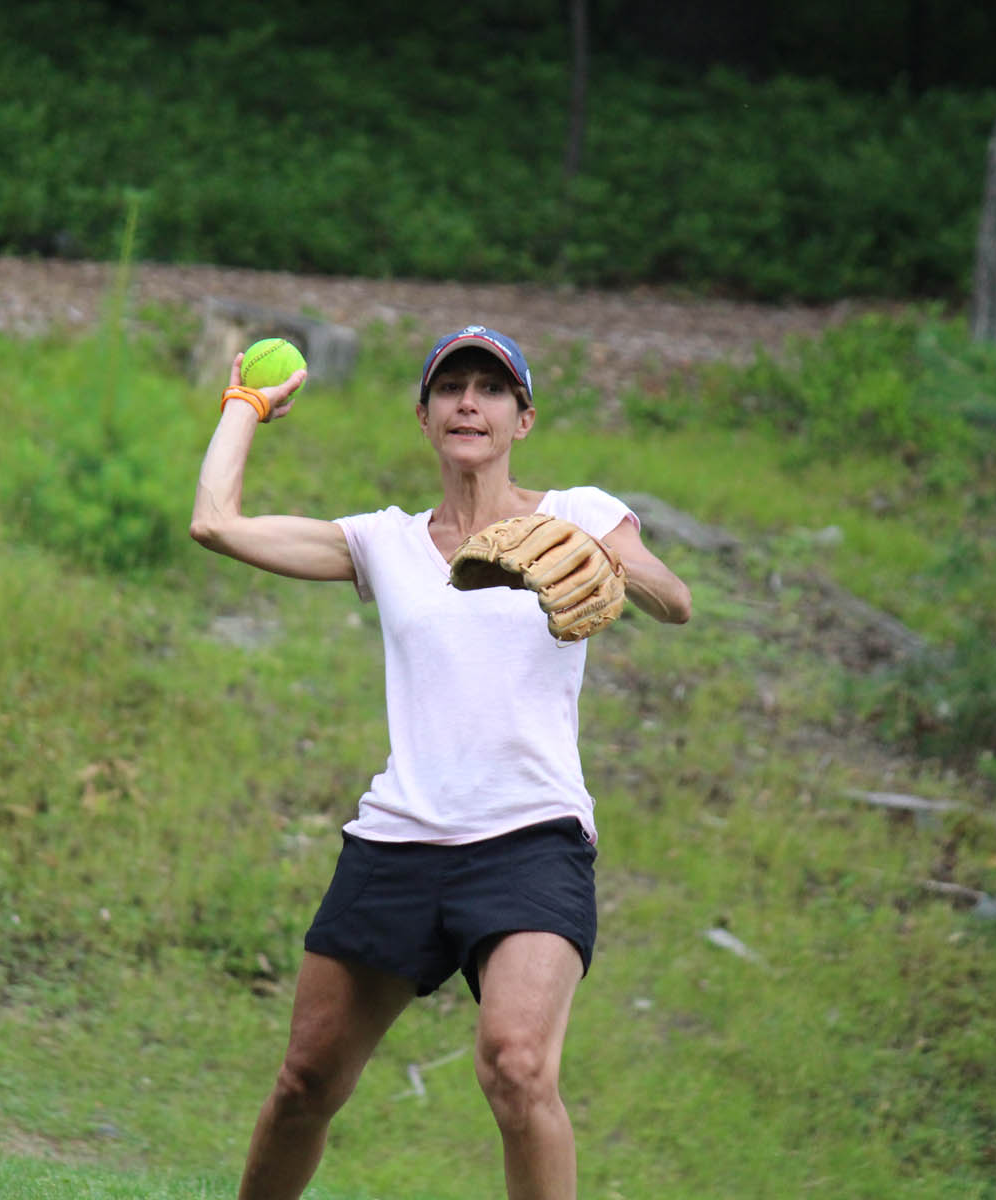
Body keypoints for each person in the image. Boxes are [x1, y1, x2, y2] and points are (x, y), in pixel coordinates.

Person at [190, 325, 692, 1200]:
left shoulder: (577, 511)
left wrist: (601, 553)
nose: (470, 401)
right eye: (451, 388)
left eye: (491, 389)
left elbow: (673, 599)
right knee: (305, 1083)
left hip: (531, 838)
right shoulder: (381, 542)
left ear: (522, 419)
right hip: (399, 841)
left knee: (517, 1066)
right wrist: (245, 406)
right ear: (422, 418)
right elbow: (215, 525)